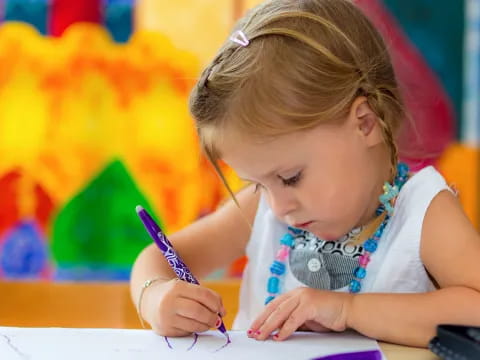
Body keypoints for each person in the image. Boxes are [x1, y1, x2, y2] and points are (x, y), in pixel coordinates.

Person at [130, 0, 480, 347]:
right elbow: (157, 258)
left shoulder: (422, 215)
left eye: (291, 177)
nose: (279, 207)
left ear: (365, 123)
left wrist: (349, 310)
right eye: (257, 184)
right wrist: (156, 296)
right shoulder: (262, 207)